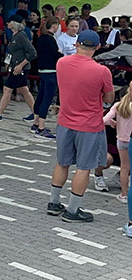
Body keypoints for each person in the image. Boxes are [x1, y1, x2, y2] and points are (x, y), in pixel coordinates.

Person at [47, 30, 113, 223]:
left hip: (65, 121)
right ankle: (73, 210)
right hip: (89, 125)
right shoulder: (102, 71)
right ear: (98, 47)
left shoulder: (62, 63)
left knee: (62, 162)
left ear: (76, 44)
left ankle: (53, 202)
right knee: (84, 167)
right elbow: (108, 98)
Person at [0, 15, 37, 122]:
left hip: (20, 67)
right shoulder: (14, 35)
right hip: (15, 65)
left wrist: (21, 65)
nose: (7, 24)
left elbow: (32, 52)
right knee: (24, 90)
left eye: (9, 22)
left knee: (7, 89)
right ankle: (35, 113)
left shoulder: (21, 36)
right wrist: (7, 63)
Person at [30, 17, 62, 138]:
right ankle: (41, 127)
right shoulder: (50, 39)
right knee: (47, 98)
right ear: (54, 26)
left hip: (42, 70)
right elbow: (55, 54)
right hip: (51, 71)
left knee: (40, 96)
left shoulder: (41, 38)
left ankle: (35, 122)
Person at [103, 93, 132, 204]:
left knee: (124, 168)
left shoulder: (119, 106)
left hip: (121, 141)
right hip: (131, 140)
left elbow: (104, 120)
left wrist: (112, 122)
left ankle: (124, 195)